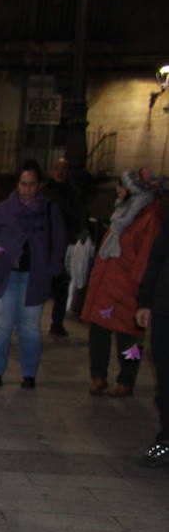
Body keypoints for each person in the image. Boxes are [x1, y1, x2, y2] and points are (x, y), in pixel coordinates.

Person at [0, 161, 66, 388]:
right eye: (23, 184)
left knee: (30, 328)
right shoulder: (3, 210)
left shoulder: (49, 210)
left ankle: (29, 373)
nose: (27, 189)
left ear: (39, 185)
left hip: (34, 277)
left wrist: (52, 269)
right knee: (2, 325)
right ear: (17, 184)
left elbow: (58, 241)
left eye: (31, 184)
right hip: (6, 276)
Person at [82, 169, 163, 397]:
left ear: (134, 189)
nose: (117, 190)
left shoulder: (150, 217)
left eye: (122, 186)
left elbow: (147, 256)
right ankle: (98, 376)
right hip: (106, 283)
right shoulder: (122, 212)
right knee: (98, 331)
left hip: (127, 287)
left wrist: (137, 287)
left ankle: (127, 378)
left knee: (129, 337)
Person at [136, 218, 169, 467]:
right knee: (166, 381)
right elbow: (156, 260)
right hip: (165, 311)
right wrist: (145, 302)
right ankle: (165, 439)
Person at [44, 157, 88, 336]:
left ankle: (57, 323)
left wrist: (83, 230)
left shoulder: (74, 193)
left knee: (62, 286)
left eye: (64, 168)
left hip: (64, 246)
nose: (60, 171)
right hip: (44, 245)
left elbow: (81, 215)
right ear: (52, 170)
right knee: (39, 285)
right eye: (57, 167)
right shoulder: (44, 192)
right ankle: (27, 321)